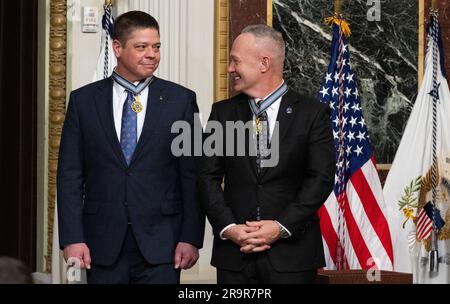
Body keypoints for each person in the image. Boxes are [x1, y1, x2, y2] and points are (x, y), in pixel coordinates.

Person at [57, 11, 204, 284]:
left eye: (156, 47)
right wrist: (72, 238)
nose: (152, 54)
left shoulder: (180, 100)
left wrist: (191, 237)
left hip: (163, 244)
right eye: (141, 47)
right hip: (100, 244)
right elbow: (69, 176)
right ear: (117, 47)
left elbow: (192, 174)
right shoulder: (84, 101)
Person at [198, 24, 335, 284]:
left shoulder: (313, 114)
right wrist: (229, 228)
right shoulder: (223, 114)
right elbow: (207, 177)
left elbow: (321, 179)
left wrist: (280, 227)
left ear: (264, 63)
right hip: (234, 256)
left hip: (292, 256)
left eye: (236, 61)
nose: (230, 69)